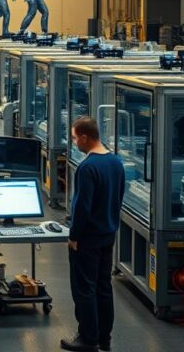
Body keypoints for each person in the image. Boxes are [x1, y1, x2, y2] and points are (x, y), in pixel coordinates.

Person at [62, 116, 126, 352]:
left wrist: (74, 237)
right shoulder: (116, 162)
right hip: (108, 234)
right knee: (103, 286)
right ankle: (103, 338)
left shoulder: (87, 168)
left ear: (85, 137)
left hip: (87, 239)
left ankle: (88, 338)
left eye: (74, 138)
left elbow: (82, 207)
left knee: (84, 289)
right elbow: (118, 197)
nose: (74, 142)